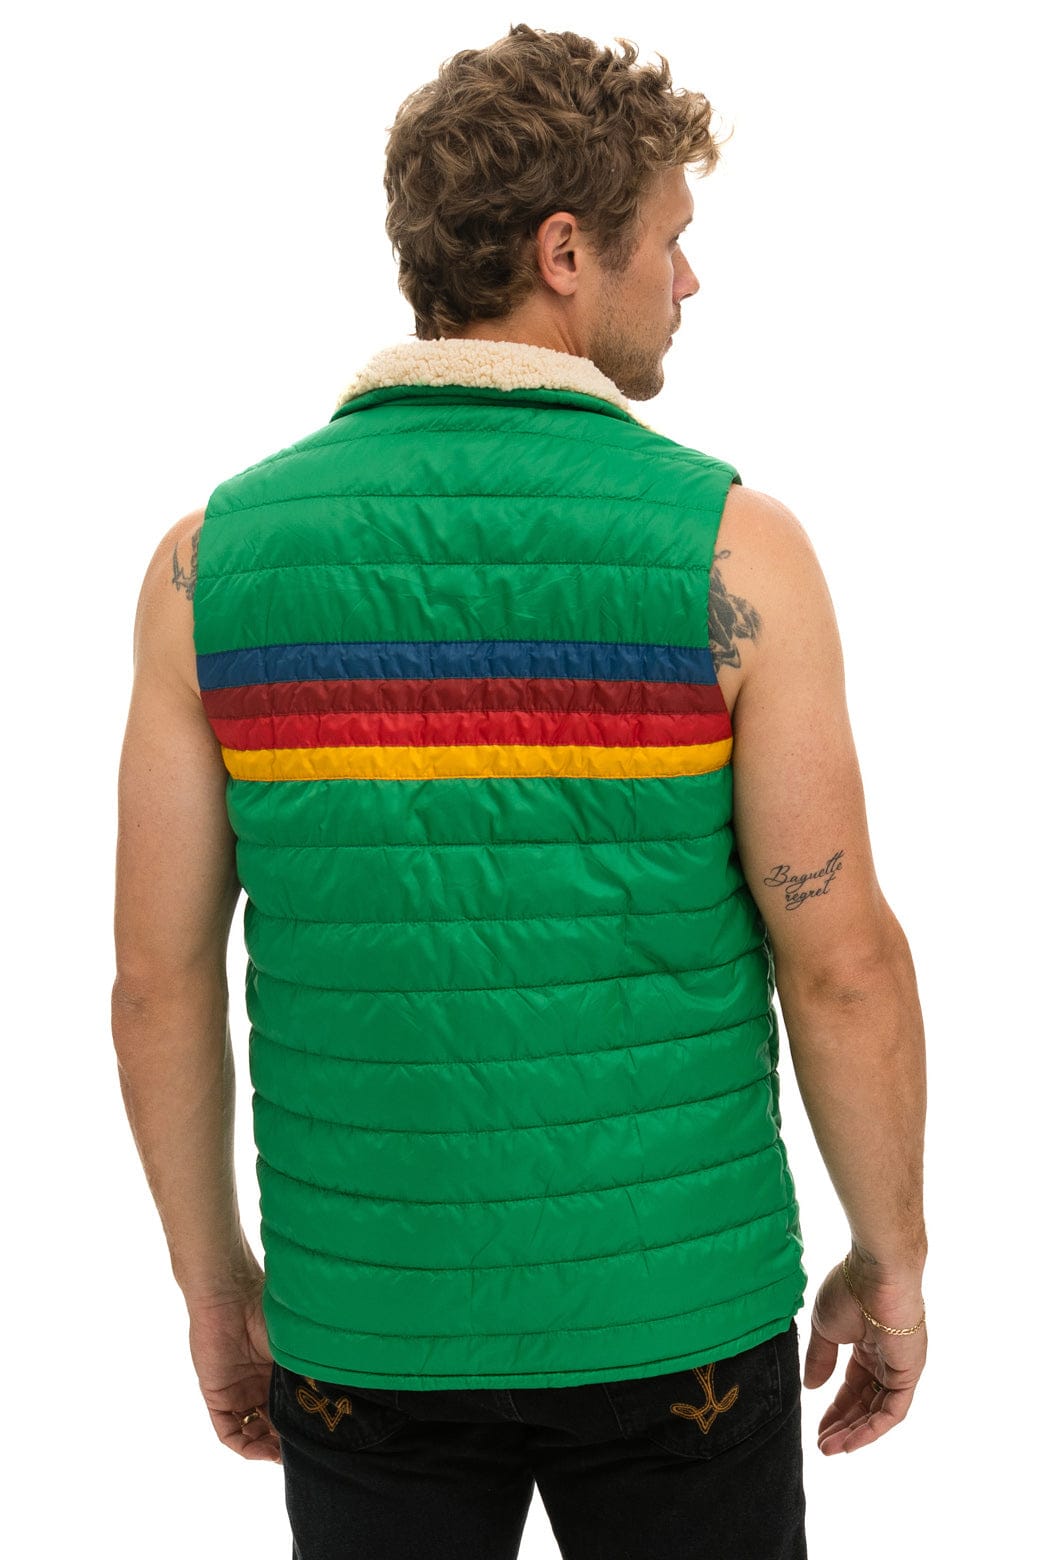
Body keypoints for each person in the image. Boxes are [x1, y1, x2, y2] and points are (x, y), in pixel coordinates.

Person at [111, 23, 927, 1560]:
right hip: (679, 1326)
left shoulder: (204, 568)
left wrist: (215, 1289)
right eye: (669, 240)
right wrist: (892, 1256)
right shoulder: (734, 551)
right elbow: (844, 965)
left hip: (366, 1333)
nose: (689, 279)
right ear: (565, 253)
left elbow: (157, 984)